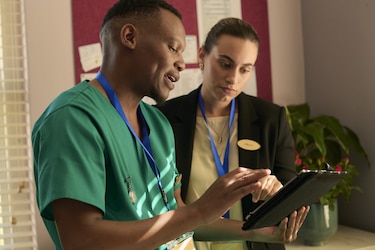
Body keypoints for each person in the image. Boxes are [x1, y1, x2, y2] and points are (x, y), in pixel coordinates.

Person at [32, 1, 308, 249]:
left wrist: (264, 232)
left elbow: (177, 221)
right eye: (173, 47)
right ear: (129, 37)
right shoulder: (73, 119)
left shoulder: (158, 124)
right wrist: (201, 209)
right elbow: (81, 241)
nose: (181, 62)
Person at [158, 17, 301, 250]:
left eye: (245, 69)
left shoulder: (270, 119)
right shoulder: (164, 118)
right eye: (225, 64)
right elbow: (163, 210)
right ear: (202, 56)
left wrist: (278, 193)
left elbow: (294, 205)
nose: (234, 78)